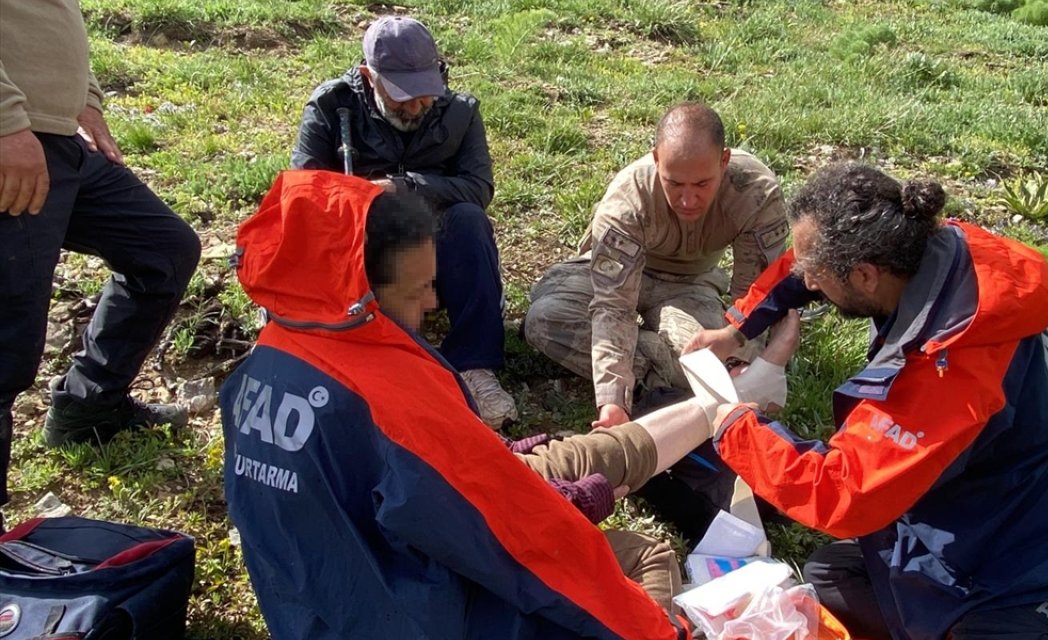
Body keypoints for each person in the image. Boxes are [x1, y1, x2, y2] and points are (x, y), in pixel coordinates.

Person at [222, 169, 726, 638]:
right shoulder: (394, 401)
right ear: (364, 294)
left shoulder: (268, 358)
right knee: (642, 560)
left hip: (320, 605)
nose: (432, 304)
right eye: (418, 290)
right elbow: (519, 543)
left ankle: (718, 406)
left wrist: (490, 459)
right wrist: (656, 630)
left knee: (577, 455)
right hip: (418, 613)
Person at [686, 163, 1048, 639]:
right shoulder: (945, 251)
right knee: (830, 578)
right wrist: (737, 328)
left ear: (866, 276)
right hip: (993, 527)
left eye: (818, 276)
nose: (808, 283)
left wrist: (735, 426)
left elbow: (842, 493)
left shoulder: (950, 372)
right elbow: (806, 258)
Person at [0, 0, 201, 528]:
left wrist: (84, 100)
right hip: (13, 142)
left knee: (164, 251)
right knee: (7, 338)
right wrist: (5, 124)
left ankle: (87, 410)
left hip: (59, 138)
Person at [290, 15, 516, 428]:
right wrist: (356, 197)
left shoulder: (461, 113)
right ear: (367, 76)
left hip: (434, 243)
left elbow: (478, 187)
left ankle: (475, 366)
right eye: (400, 96)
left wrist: (404, 186)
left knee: (469, 220)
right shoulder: (329, 107)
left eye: (424, 94)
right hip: (360, 243)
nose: (414, 107)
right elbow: (302, 195)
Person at [524, 102, 789, 429]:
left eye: (702, 184)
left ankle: (651, 358)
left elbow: (754, 296)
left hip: (690, 286)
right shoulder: (626, 201)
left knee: (714, 368)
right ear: (656, 160)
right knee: (544, 319)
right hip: (610, 275)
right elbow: (613, 306)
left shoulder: (754, 193)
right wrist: (612, 399)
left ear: (724, 161)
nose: (688, 200)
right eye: (674, 184)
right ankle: (654, 362)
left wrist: (739, 354)